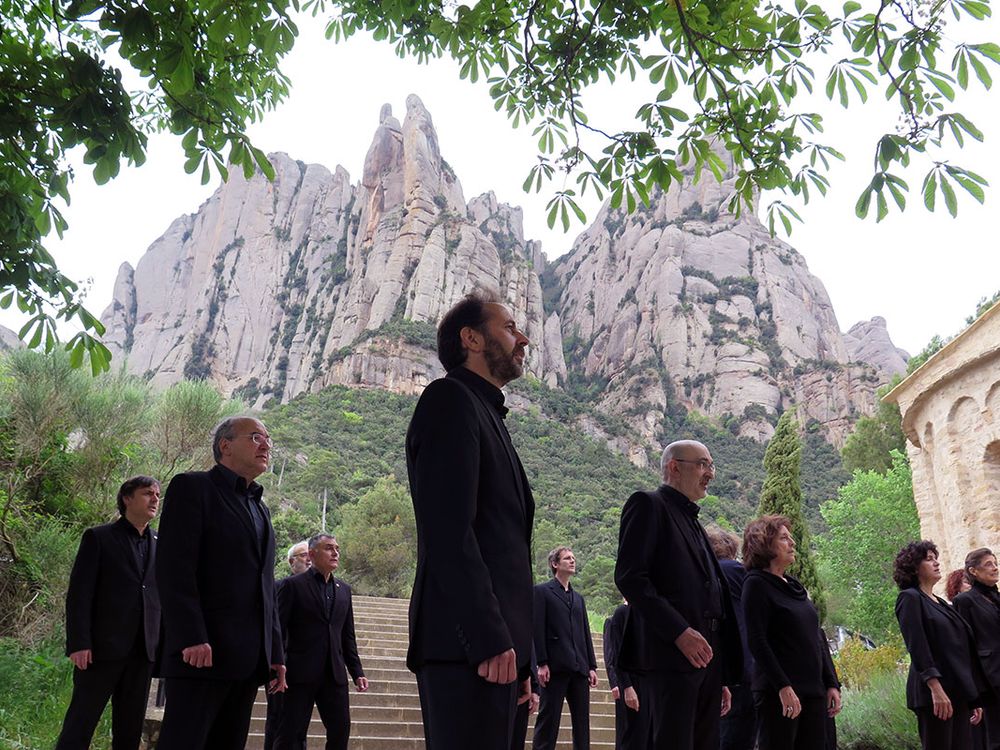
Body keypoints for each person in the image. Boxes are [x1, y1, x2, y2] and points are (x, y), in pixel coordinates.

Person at [405, 290, 535, 750]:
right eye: (509, 327)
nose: (523, 339)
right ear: (471, 339)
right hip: (466, 647)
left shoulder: (486, 412)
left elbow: (506, 550)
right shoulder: (449, 400)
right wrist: (488, 638)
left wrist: (522, 657)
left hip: (498, 653)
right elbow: (449, 532)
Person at [156, 416, 286, 750]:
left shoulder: (261, 509)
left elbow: (265, 585)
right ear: (225, 445)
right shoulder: (192, 487)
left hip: (246, 660)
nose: (266, 445)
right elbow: (175, 568)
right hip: (201, 654)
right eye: (256, 437)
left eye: (268, 439)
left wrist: (274, 652)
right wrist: (191, 635)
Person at [613, 440, 742, 750]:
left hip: (707, 661)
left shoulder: (695, 524)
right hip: (670, 656)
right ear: (674, 467)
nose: (710, 473)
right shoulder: (647, 504)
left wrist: (720, 675)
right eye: (703, 464)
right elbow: (630, 577)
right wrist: (680, 632)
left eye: (711, 465)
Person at [55, 476, 161, 750]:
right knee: (81, 723)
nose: (154, 499)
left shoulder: (161, 544)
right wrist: (79, 643)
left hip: (143, 653)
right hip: (100, 651)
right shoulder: (98, 537)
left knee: (129, 728)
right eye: (147, 493)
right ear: (127, 498)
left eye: (158, 495)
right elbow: (79, 595)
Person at [741, 515, 841, 750]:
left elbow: (817, 637)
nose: (792, 543)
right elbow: (757, 641)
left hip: (813, 691)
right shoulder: (756, 584)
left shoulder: (795, 587)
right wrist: (783, 687)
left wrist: (831, 682)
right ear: (764, 544)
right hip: (780, 693)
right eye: (784, 538)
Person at [275, 533, 368, 749]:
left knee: (340, 730)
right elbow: (277, 629)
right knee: (290, 734)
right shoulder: (292, 586)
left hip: (334, 675)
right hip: (298, 673)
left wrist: (357, 671)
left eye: (337, 548)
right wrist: (275, 666)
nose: (335, 552)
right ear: (312, 554)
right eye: (328, 548)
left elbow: (347, 636)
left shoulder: (344, 590)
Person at [894, 540, 983, 750]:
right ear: (914, 567)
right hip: (934, 694)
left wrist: (972, 695)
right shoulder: (910, 599)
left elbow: (960, 649)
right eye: (929, 559)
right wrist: (935, 687)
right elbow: (917, 646)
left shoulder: (940, 603)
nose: (936, 563)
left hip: (956, 691)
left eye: (936, 558)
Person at [532, 547, 598, 750]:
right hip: (554, 668)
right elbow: (537, 628)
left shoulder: (579, 599)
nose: (572, 561)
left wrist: (592, 666)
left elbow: (585, 633)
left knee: (582, 725)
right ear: (555, 564)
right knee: (548, 722)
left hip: (579, 668)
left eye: (573, 558)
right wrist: (541, 663)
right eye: (567, 558)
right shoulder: (542, 592)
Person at [706, 526, 758, 750]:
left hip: (716, 667)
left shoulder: (706, 575)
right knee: (740, 735)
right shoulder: (739, 572)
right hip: (745, 667)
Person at [264, 540, 313, 750]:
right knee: (279, 721)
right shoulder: (282, 586)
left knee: (298, 724)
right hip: (282, 665)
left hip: (306, 668)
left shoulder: (318, 589)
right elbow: (276, 627)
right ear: (292, 562)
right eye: (303, 555)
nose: (309, 558)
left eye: (310, 554)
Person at [953, 548, 1000, 750]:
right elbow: (964, 645)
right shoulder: (965, 601)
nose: (995, 567)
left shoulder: (997, 598)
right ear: (973, 571)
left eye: (996, 562)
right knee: (996, 737)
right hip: (989, 680)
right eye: (989, 564)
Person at [604, 602, 641, 750]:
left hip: (643, 682)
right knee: (626, 730)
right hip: (624, 681)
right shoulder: (615, 618)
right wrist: (615, 683)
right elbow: (610, 655)